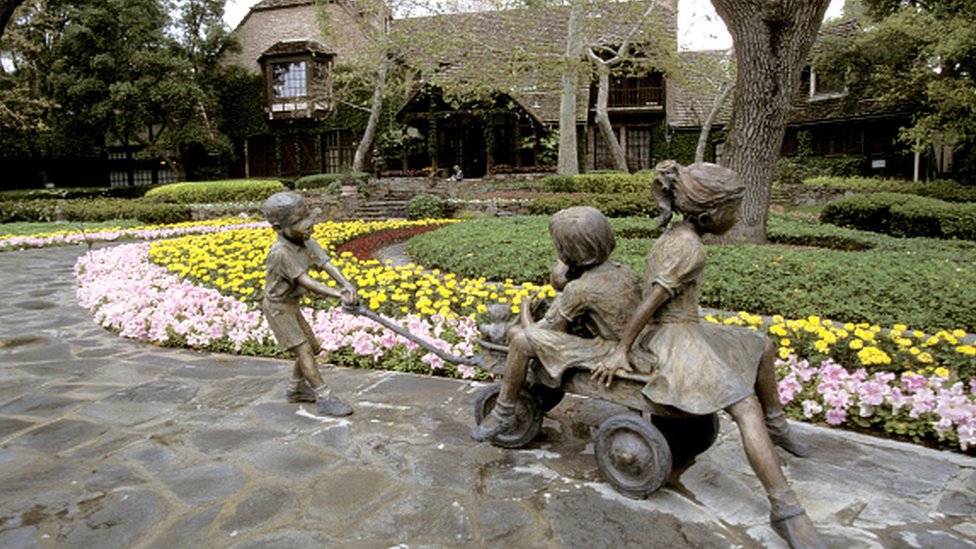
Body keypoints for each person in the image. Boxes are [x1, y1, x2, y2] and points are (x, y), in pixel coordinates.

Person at [593, 160, 824, 549]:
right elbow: (650, 303)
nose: (739, 216)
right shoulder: (689, 248)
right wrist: (622, 349)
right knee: (743, 405)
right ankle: (785, 508)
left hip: (688, 327)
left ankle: (778, 426)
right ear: (710, 214)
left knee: (760, 343)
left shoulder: (681, 235)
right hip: (674, 339)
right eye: (735, 209)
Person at [471, 206, 645, 440]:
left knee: (521, 340)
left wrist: (524, 311)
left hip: (608, 349)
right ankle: (505, 332)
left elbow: (547, 334)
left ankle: (503, 412)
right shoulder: (622, 270)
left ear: (570, 251)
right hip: (633, 341)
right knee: (553, 308)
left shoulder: (580, 289)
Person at [261, 191, 359, 416]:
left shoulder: (306, 241)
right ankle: (323, 396)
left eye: (307, 216)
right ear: (278, 228)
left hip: (291, 304)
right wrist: (339, 295)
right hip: (278, 308)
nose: (308, 224)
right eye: (298, 221)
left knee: (311, 348)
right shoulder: (280, 253)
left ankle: (295, 389)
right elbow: (307, 281)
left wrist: (347, 285)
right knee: (304, 349)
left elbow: (325, 263)